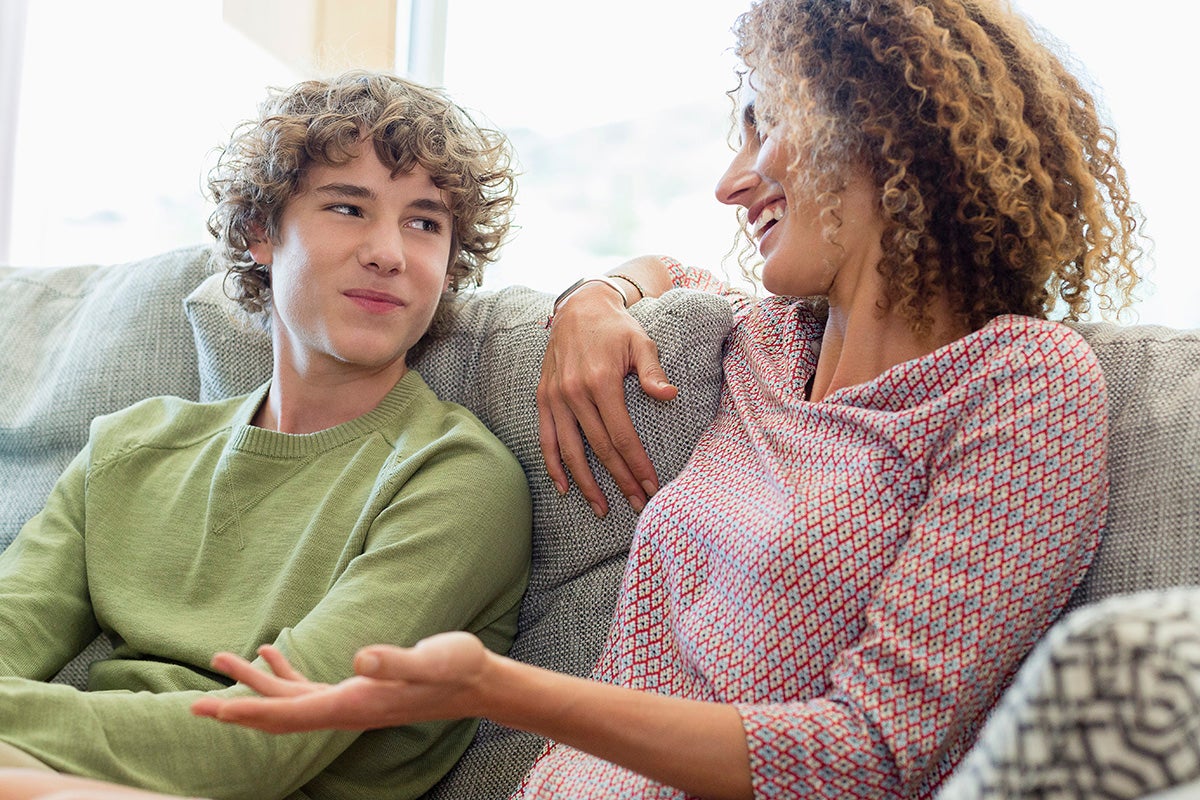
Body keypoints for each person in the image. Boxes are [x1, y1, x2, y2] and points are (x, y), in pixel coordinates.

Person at [12, 0, 1145, 798]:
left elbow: (866, 757)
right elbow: (674, 273)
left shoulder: (1020, 386)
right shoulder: (758, 345)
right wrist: (596, 293)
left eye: (763, 120)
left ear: (876, 126)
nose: (730, 176)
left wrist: (504, 687)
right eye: (346, 209)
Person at [0, 70, 531, 799]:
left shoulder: (456, 476)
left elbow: (260, 746)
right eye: (349, 207)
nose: (389, 252)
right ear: (260, 233)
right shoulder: (129, 449)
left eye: (424, 222)